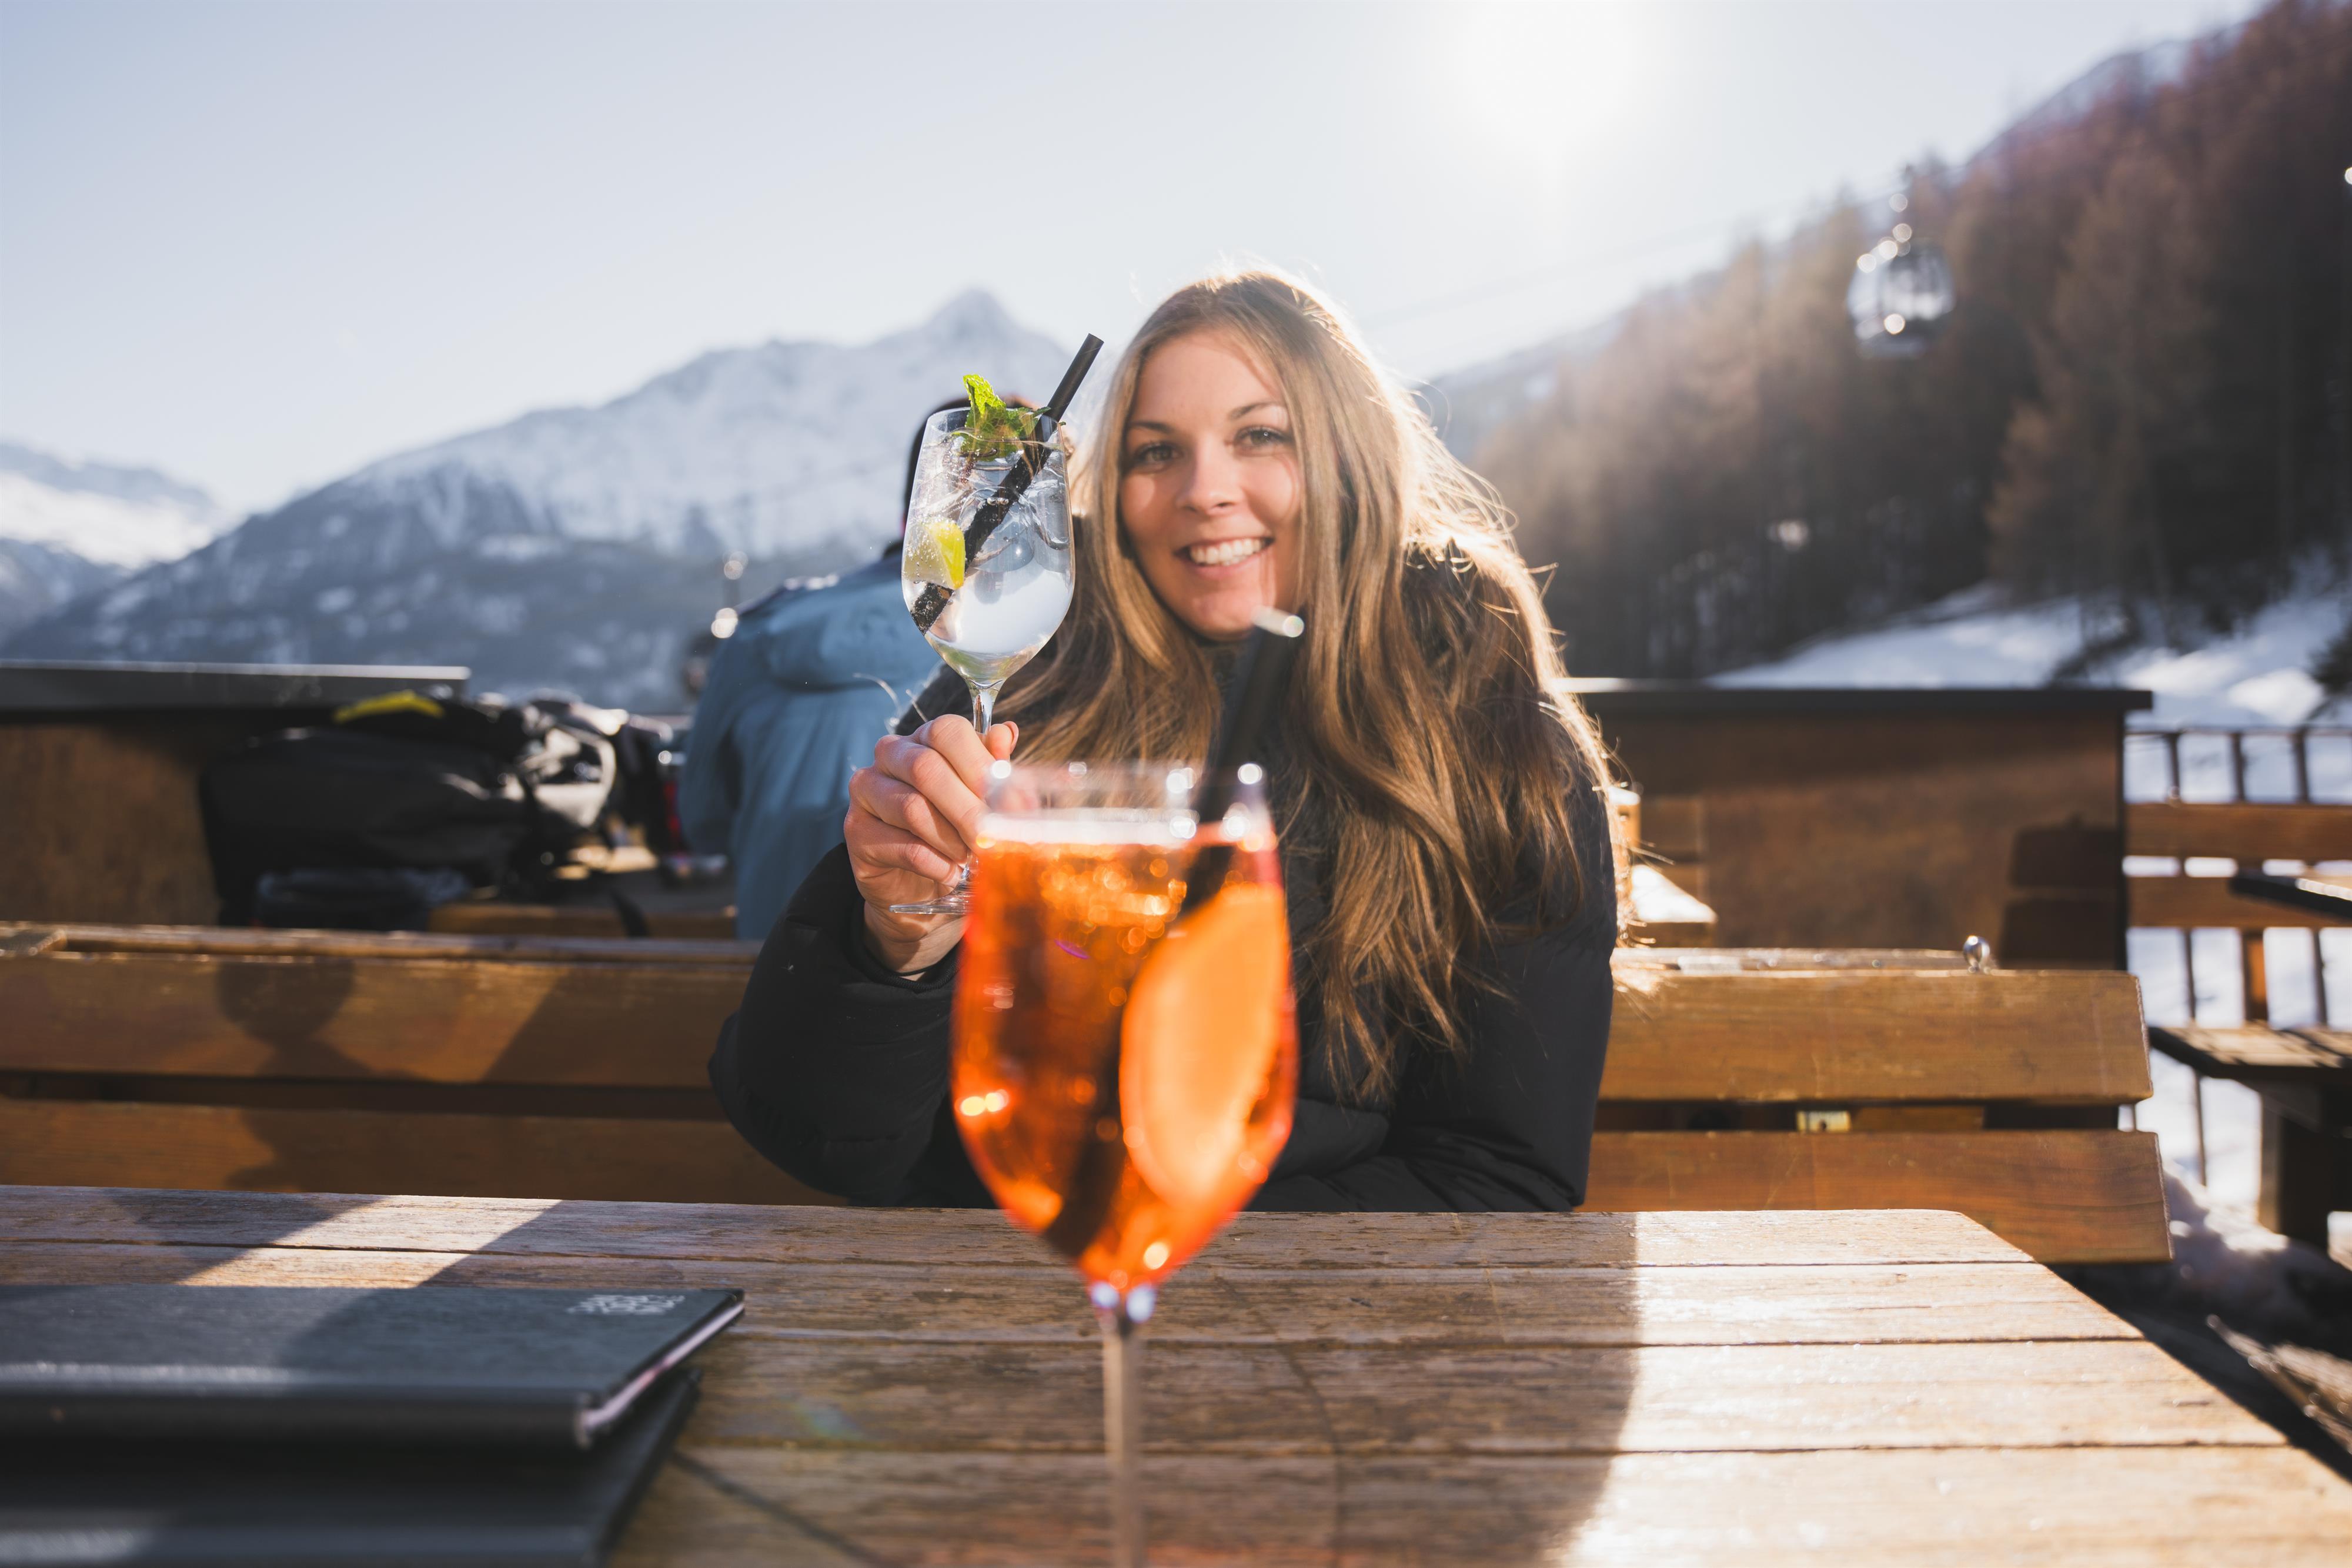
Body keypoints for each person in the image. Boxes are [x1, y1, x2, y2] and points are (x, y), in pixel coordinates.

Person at [710, 268, 1622, 1210]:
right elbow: (814, 1132)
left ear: (1351, 457)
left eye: (1260, 435)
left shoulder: (1491, 736)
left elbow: (1500, 1172)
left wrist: (1137, 1240)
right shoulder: (1029, 686)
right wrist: (895, 945)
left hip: (1302, 1300)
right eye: (1156, 452)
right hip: (979, 1283)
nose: (1204, 490)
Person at [678, 403, 963, 941]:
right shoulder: (1014, 636)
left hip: (773, 956)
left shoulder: (759, 629)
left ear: (910, 511)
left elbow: (702, 819)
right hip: (927, 964)